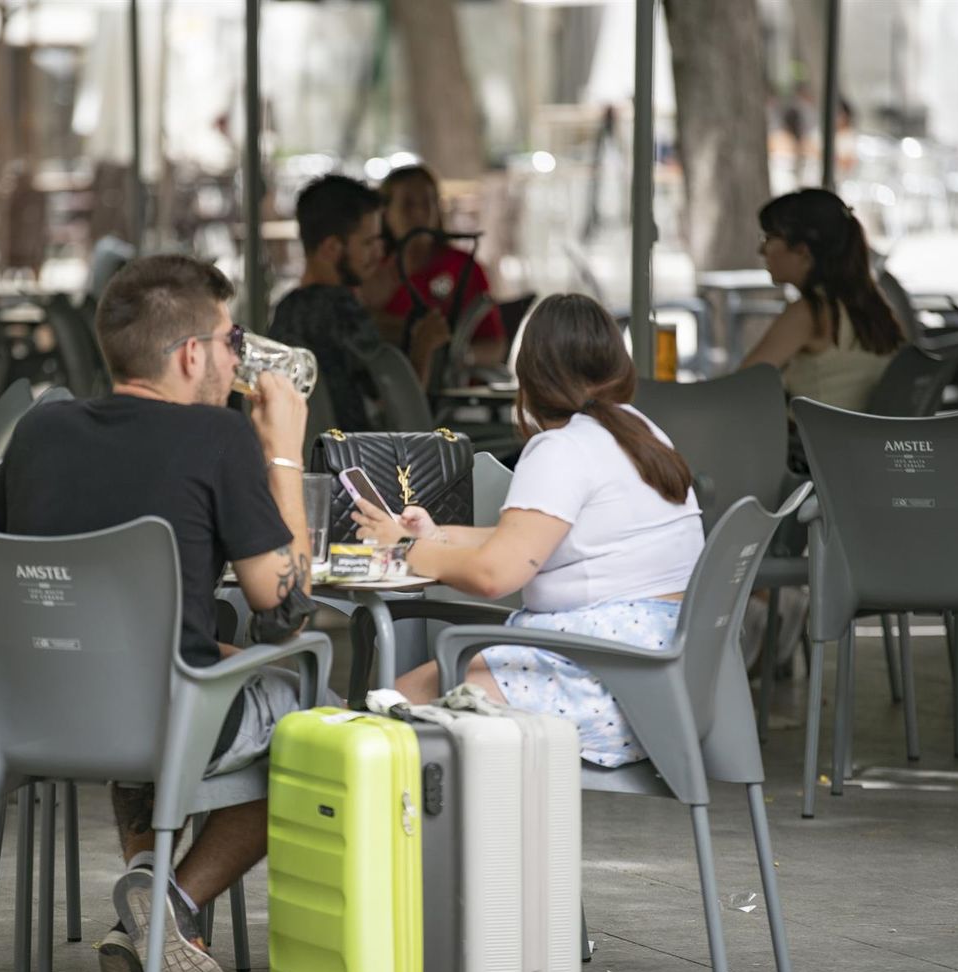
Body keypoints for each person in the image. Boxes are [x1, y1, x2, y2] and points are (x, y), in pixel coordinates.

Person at [0, 254, 312, 972]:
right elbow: (286, 606)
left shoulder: (38, 429)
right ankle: (168, 905)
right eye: (232, 341)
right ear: (192, 353)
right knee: (309, 718)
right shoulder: (218, 437)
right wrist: (283, 450)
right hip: (162, 715)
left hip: (37, 712)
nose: (238, 359)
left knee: (182, 657)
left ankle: (141, 875)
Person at [353, 294, 703, 768]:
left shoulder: (562, 448)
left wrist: (404, 551)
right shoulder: (639, 434)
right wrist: (436, 536)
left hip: (600, 681)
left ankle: (427, 841)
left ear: (531, 375)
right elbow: (533, 539)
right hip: (665, 678)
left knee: (382, 717)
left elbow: (496, 575)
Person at [268, 174, 448, 430]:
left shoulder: (287, 308)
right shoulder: (341, 308)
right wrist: (424, 346)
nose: (380, 252)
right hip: (357, 459)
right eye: (368, 242)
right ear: (332, 249)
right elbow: (400, 413)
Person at [739, 188, 905, 412]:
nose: (761, 250)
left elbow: (738, 388)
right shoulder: (869, 302)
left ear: (803, 252)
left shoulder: (809, 312)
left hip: (815, 444)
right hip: (859, 439)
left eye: (768, 237)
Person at [360, 164, 506, 373]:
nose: (419, 213)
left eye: (428, 203)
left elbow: (495, 345)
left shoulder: (463, 267)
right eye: (407, 205)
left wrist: (457, 355)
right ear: (385, 212)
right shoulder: (369, 269)